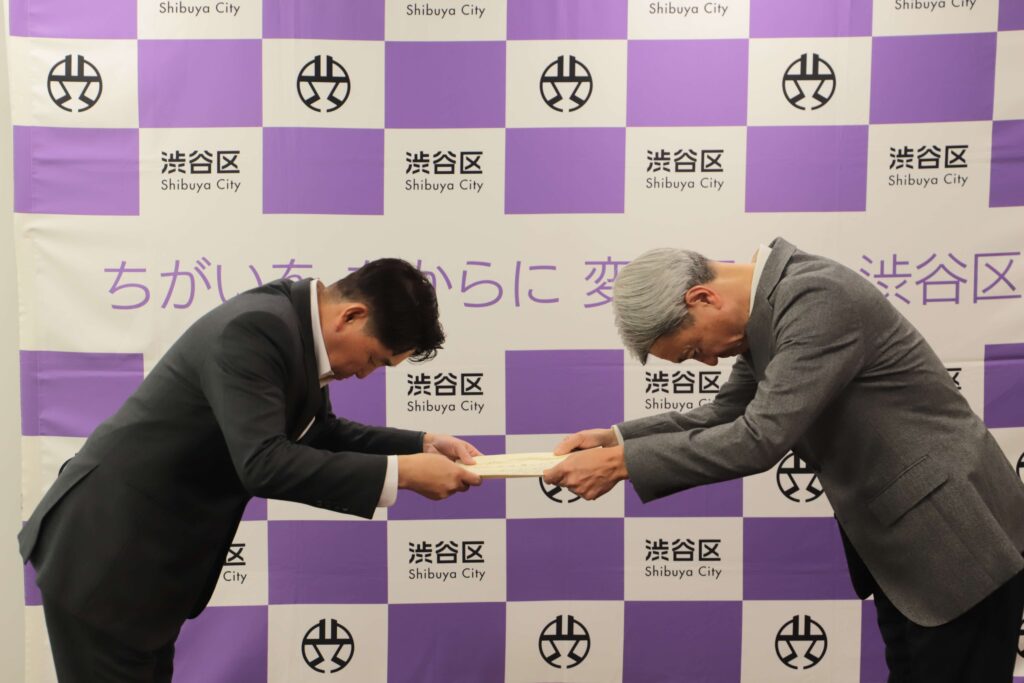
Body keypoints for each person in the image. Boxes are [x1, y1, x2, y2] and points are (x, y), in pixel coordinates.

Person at [544, 237, 1024, 682]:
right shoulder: (772, 310)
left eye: (694, 349)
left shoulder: (815, 299)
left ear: (702, 298)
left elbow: (759, 437)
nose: (708, 362)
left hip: (956, 539)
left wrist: (624, 463)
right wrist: (616, 439)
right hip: (905, 544)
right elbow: (727, 413)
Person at [19, 258, 483, 682]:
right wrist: (403, 473)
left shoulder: (292, 325)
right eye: (375, 359)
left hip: (142, 565)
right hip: (107, 559)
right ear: (352, 316)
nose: (366, 374)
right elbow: (264, 463)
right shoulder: (256, 329)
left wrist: (421, 444)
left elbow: (318, 431)